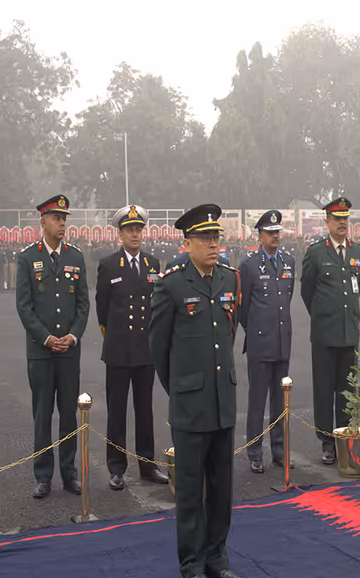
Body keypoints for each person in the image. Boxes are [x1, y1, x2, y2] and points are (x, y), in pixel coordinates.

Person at [150, 204, 242, 578]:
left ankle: (217, 559)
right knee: (189, 492)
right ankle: (191, 563)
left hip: (223, 401)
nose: (213, 244)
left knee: (221, 489)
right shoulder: (171, 283)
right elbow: (159, 349)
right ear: (187, 243)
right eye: (205, 238)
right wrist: (182, 390)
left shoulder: (230, 279)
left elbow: (229, 335)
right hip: (190, 404)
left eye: (216, 237)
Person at [15, 195, 88, 499]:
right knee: (43, 413)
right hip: (41, 352)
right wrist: (46, 337)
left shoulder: (76, 257)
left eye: (64, 219)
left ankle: (69, 473)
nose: (62, 224)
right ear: (42, 221)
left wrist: (73, 335)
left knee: (69, 414)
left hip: (69, 350)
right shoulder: (27, 257)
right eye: (56, 218)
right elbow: (24, 306)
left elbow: (83, 304)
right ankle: (43, 475)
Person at [96, 205, 169, 490]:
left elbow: (156, 305)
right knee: (116, 411)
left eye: (139, 229)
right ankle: (116, 468)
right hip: (118, 350)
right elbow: (102, 309)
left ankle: (148, 464)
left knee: (145, 411)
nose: (135, 234)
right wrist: (111, 336)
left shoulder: (152, 264)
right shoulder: (109, 264)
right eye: (130, 230)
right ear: (121, 233)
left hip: (144, 350)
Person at [300, 196, 360, 465]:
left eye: (345, 219)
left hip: (348, 333)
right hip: (325, 334)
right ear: (327, 222)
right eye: (337, 219)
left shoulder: (357, 252)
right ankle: (326, 441)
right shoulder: (316, 252)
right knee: (324, 390)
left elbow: (356, 286)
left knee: (346, 390)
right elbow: (307, 292)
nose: (342, 223)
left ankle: (343, 436)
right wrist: (323, 317)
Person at [239, 210, 296, 474]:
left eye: (277, 232)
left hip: (283, 341)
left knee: (280, 402)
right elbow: (243, 308)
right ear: (259, 235)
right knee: (257, 401)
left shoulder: (289, 262)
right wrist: (257, 331)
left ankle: (279, 450)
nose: (275, 236)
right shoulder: (249, 266)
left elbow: (287, 298)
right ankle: (254, 451)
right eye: (270, 232)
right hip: (261, 344)